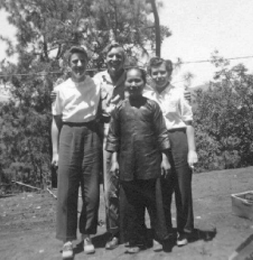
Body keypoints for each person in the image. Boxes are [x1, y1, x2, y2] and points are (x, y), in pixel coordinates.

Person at [106, 67, 172, 254]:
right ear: (124, 83)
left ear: (144, 83)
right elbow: (114, 137)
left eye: (138, 81)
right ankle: (137, 240)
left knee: (155, 204)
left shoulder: (152, 106)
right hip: (127, 164)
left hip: (150, 163)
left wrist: (165, 158)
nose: (133, 84)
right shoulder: (119, 109)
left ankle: (159, 238)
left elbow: (161, 133)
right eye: (130, 81)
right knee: (132, 206)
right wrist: (114, 161)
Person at [51, 46, 101, 259]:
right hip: (68, 135)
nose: (79, 65)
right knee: (66, 191)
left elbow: (122, 86)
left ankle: (87, 235)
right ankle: (68, 239)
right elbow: (56, 121)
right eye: (74, 62)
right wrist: (55, 151)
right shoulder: (61, 89)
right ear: (68, 65)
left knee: (91, 192)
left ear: (87, 62)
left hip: (91, 134)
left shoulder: (97, 84)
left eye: (82, 61)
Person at [144, 57, 198, 247]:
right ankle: (164, 231)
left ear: (169, 73)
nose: (159, 76)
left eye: (162, 72)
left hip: (178, 138)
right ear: (149, 75)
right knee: (160, 187)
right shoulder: (146, 95)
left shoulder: (179, 93)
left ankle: (185, 230)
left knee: (182, 186)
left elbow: (189, 122)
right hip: (155, 143)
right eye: (154, 73)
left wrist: (191, 150)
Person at [92, 42, 126, 249]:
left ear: (124, 59)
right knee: (110, 188)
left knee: (131, 184)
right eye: (111, 56)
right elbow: (78, 91)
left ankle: (132, 228)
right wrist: (56, 92)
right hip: (106, 136)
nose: (114, 59)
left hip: (130, 136)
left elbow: (155, 90)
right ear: (105, 58)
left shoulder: (130, 77)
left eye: (119, 56)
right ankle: (114, 232)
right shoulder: (97, 80)